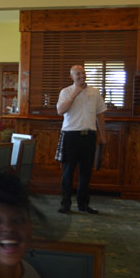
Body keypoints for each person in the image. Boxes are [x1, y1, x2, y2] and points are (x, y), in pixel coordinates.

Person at [56, 64, 107, 214]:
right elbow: (60, 111)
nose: (81, 76)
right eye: (77, 74)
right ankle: (65, 204)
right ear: (71, 76)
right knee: (68, 171)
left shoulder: (94, 92)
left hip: (89, 136)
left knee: (86, 172)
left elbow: (100, 114)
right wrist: (75, 94)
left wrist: (103, 135)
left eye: (83, 73)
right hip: (70, 136)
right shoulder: (66, 92)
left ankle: (83, 204)